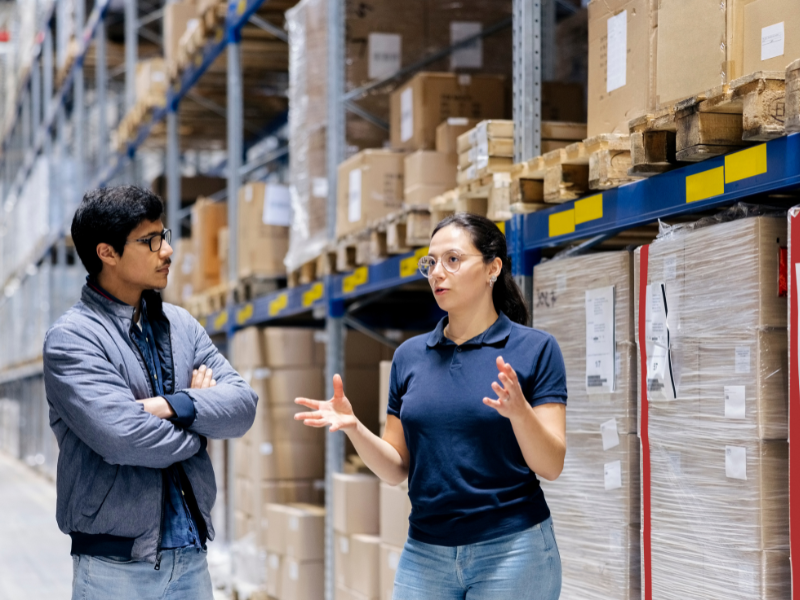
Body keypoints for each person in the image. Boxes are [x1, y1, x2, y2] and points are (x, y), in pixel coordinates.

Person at [295, 213, 567, 600]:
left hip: (513, 549)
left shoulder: (534, 349)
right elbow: (395, 468)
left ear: (493, 268)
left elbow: (551, 465)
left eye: (453, 259)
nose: (438, 272)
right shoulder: (409, 357)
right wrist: (355, 428)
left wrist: (520, 412)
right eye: (431, 262)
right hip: (425, 553)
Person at [43, 186, 258, 600]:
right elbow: (124, 438)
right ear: (107, 253)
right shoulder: (73, 340)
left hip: (191, 558)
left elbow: (242, 406)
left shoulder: (182, 326)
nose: (168, 251)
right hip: (116, 569)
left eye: (166, 236)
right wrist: (199, 424)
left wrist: (170, 406)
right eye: (150, 241)